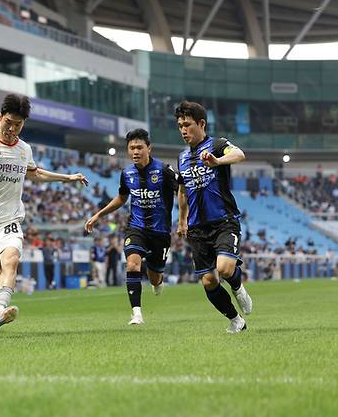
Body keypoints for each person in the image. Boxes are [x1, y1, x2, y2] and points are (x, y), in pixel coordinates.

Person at [0, 94, 88, 330]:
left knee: (11, 261)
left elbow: (35, 173)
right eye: (8, 122)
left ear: (23, 124)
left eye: (18, 125)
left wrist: (67, 177)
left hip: (9, 220)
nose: (12, 128)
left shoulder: (24, 149)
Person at [174, 101, 252, 333]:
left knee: (226, 268)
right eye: (180, 126)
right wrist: (181, 220)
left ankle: (238, 288)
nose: (183, 130)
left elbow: (239, 154)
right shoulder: (182, 157)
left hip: (223, 220)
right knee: (209, 281)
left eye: (187, 125)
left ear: (201, 123)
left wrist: (217, 161)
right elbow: (182, 189)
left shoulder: (217, 145)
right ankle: (236, 320)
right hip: (197, 227)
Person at [85, 129, 177, 325]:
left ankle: (158, 281)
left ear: (148, 148)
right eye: (132, 148)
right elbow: (121, 198)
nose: (135, 151)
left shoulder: (164, 171)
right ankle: (136, 313)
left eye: (139, 147)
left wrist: (185, 219)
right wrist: (99, 214)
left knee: (154, 277)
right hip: (136, 228)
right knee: (133, 264)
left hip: (160, 232)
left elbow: (183, 191)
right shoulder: (126, 174)